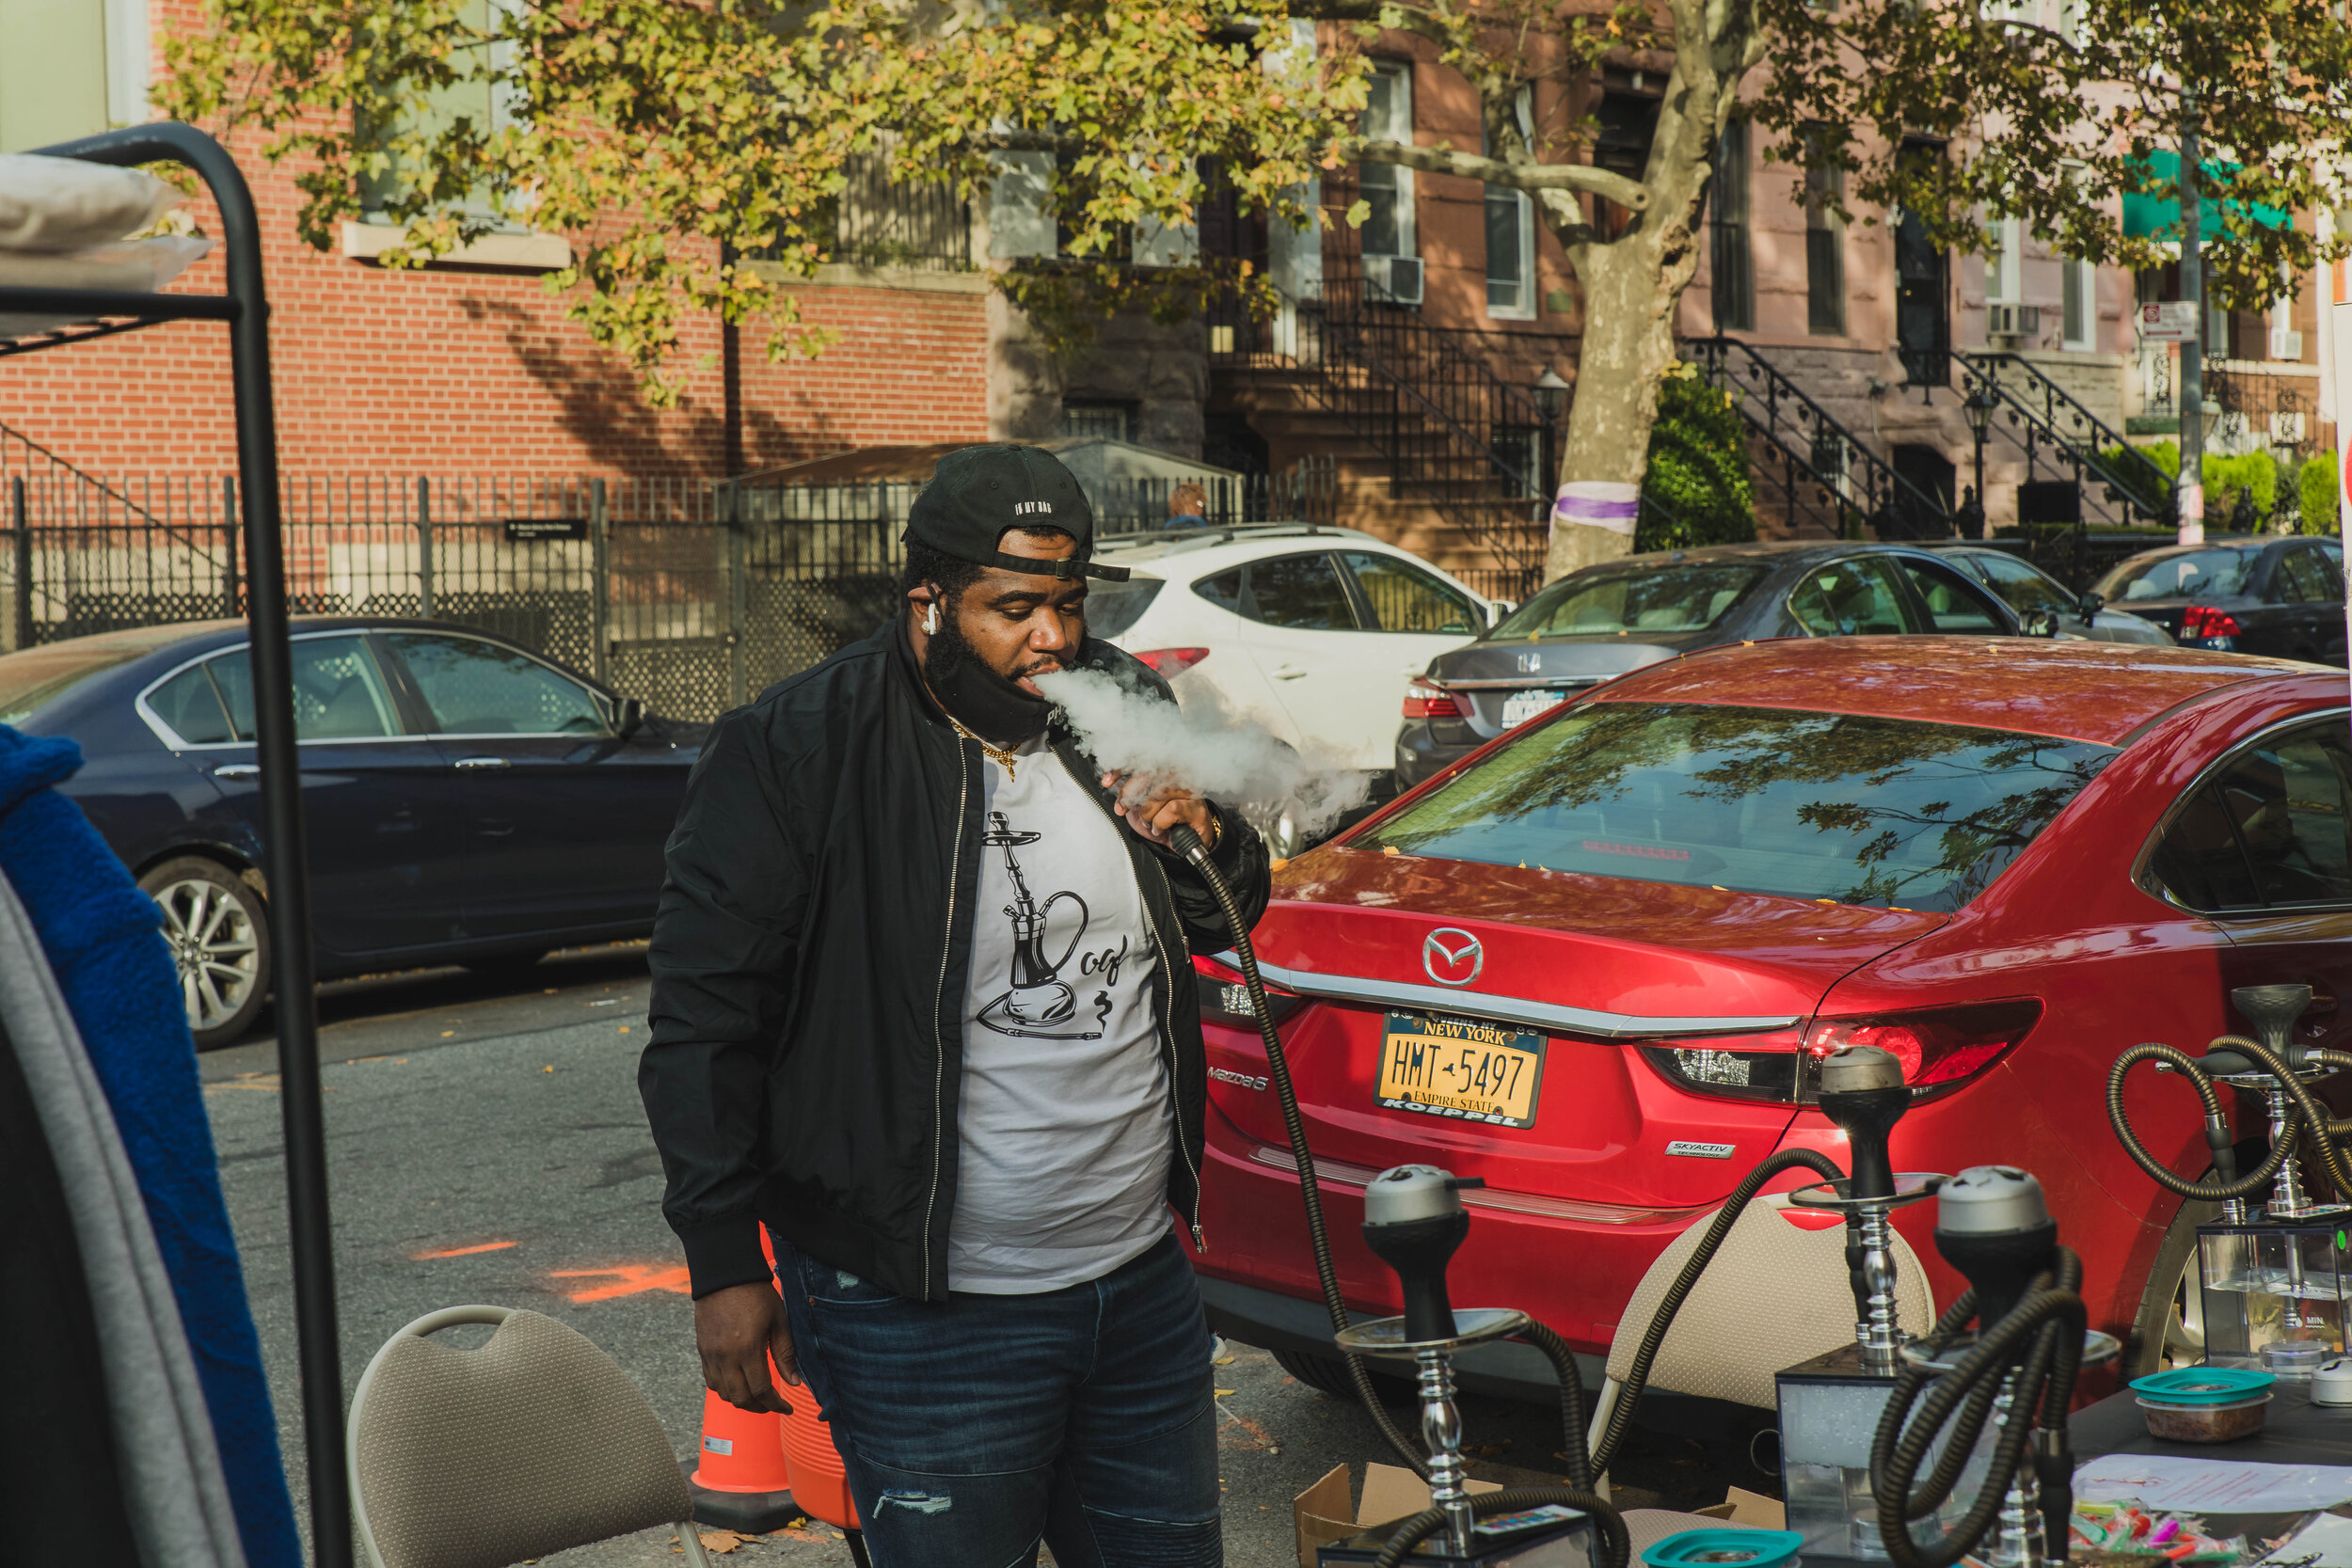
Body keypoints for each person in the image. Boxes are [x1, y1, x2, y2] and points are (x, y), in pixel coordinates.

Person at [640, 443, 1270, 1568]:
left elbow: (1215, 912)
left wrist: (1207, 835)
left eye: (1068, 603)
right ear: (927, 600)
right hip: (920, 1313)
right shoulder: (799, 745)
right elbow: (704, 1024)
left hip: (1137, 1283)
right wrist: (724, 1260)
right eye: (1013, 608)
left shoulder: (1118, 700)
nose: (1053, 638)